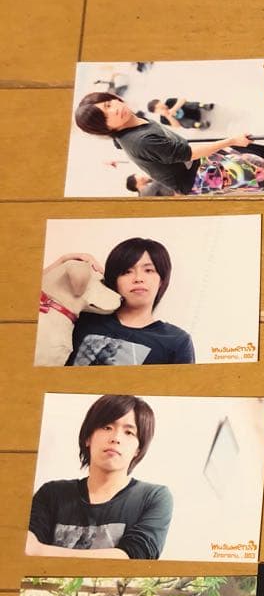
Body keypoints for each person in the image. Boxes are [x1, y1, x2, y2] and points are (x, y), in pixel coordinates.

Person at [26, 394, 173, 560]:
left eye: (129, 432)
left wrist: (40, 551)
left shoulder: (153, 497)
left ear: (138, 449)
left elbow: (135, 559)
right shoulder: (52, 494)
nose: (116, 438)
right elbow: (24, 547)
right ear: (88, 437)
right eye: (107, 427)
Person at [74, 92, 264, 194]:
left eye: (108, 104)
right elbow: (188, 153)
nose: (114, 110)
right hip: (194, 177)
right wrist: (230, 140)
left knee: (251, 151)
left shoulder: (131, 122)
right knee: (258, 170)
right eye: (105, 116)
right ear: (105, 128)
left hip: (193, 162)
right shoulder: (140, 141)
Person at [46, 237, 195, 366]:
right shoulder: (83, 318)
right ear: (115, 280)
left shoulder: (176, 341)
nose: (138, 278)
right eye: (126, 272)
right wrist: (63, 261)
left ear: (161, 280)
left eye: (149, 270)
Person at [147, 96, 214, 130]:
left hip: (194, 110)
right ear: (156, 112)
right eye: (158, 108)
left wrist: (174, 109)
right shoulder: (163, 120)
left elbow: (183, 99)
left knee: (186, 104)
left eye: (160, 105)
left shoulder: (169, 102)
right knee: (183, 122)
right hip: (192, 121)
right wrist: (169, 116)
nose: (162, 107)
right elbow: (177, 126)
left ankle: (204, 106)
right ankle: (199, 125)